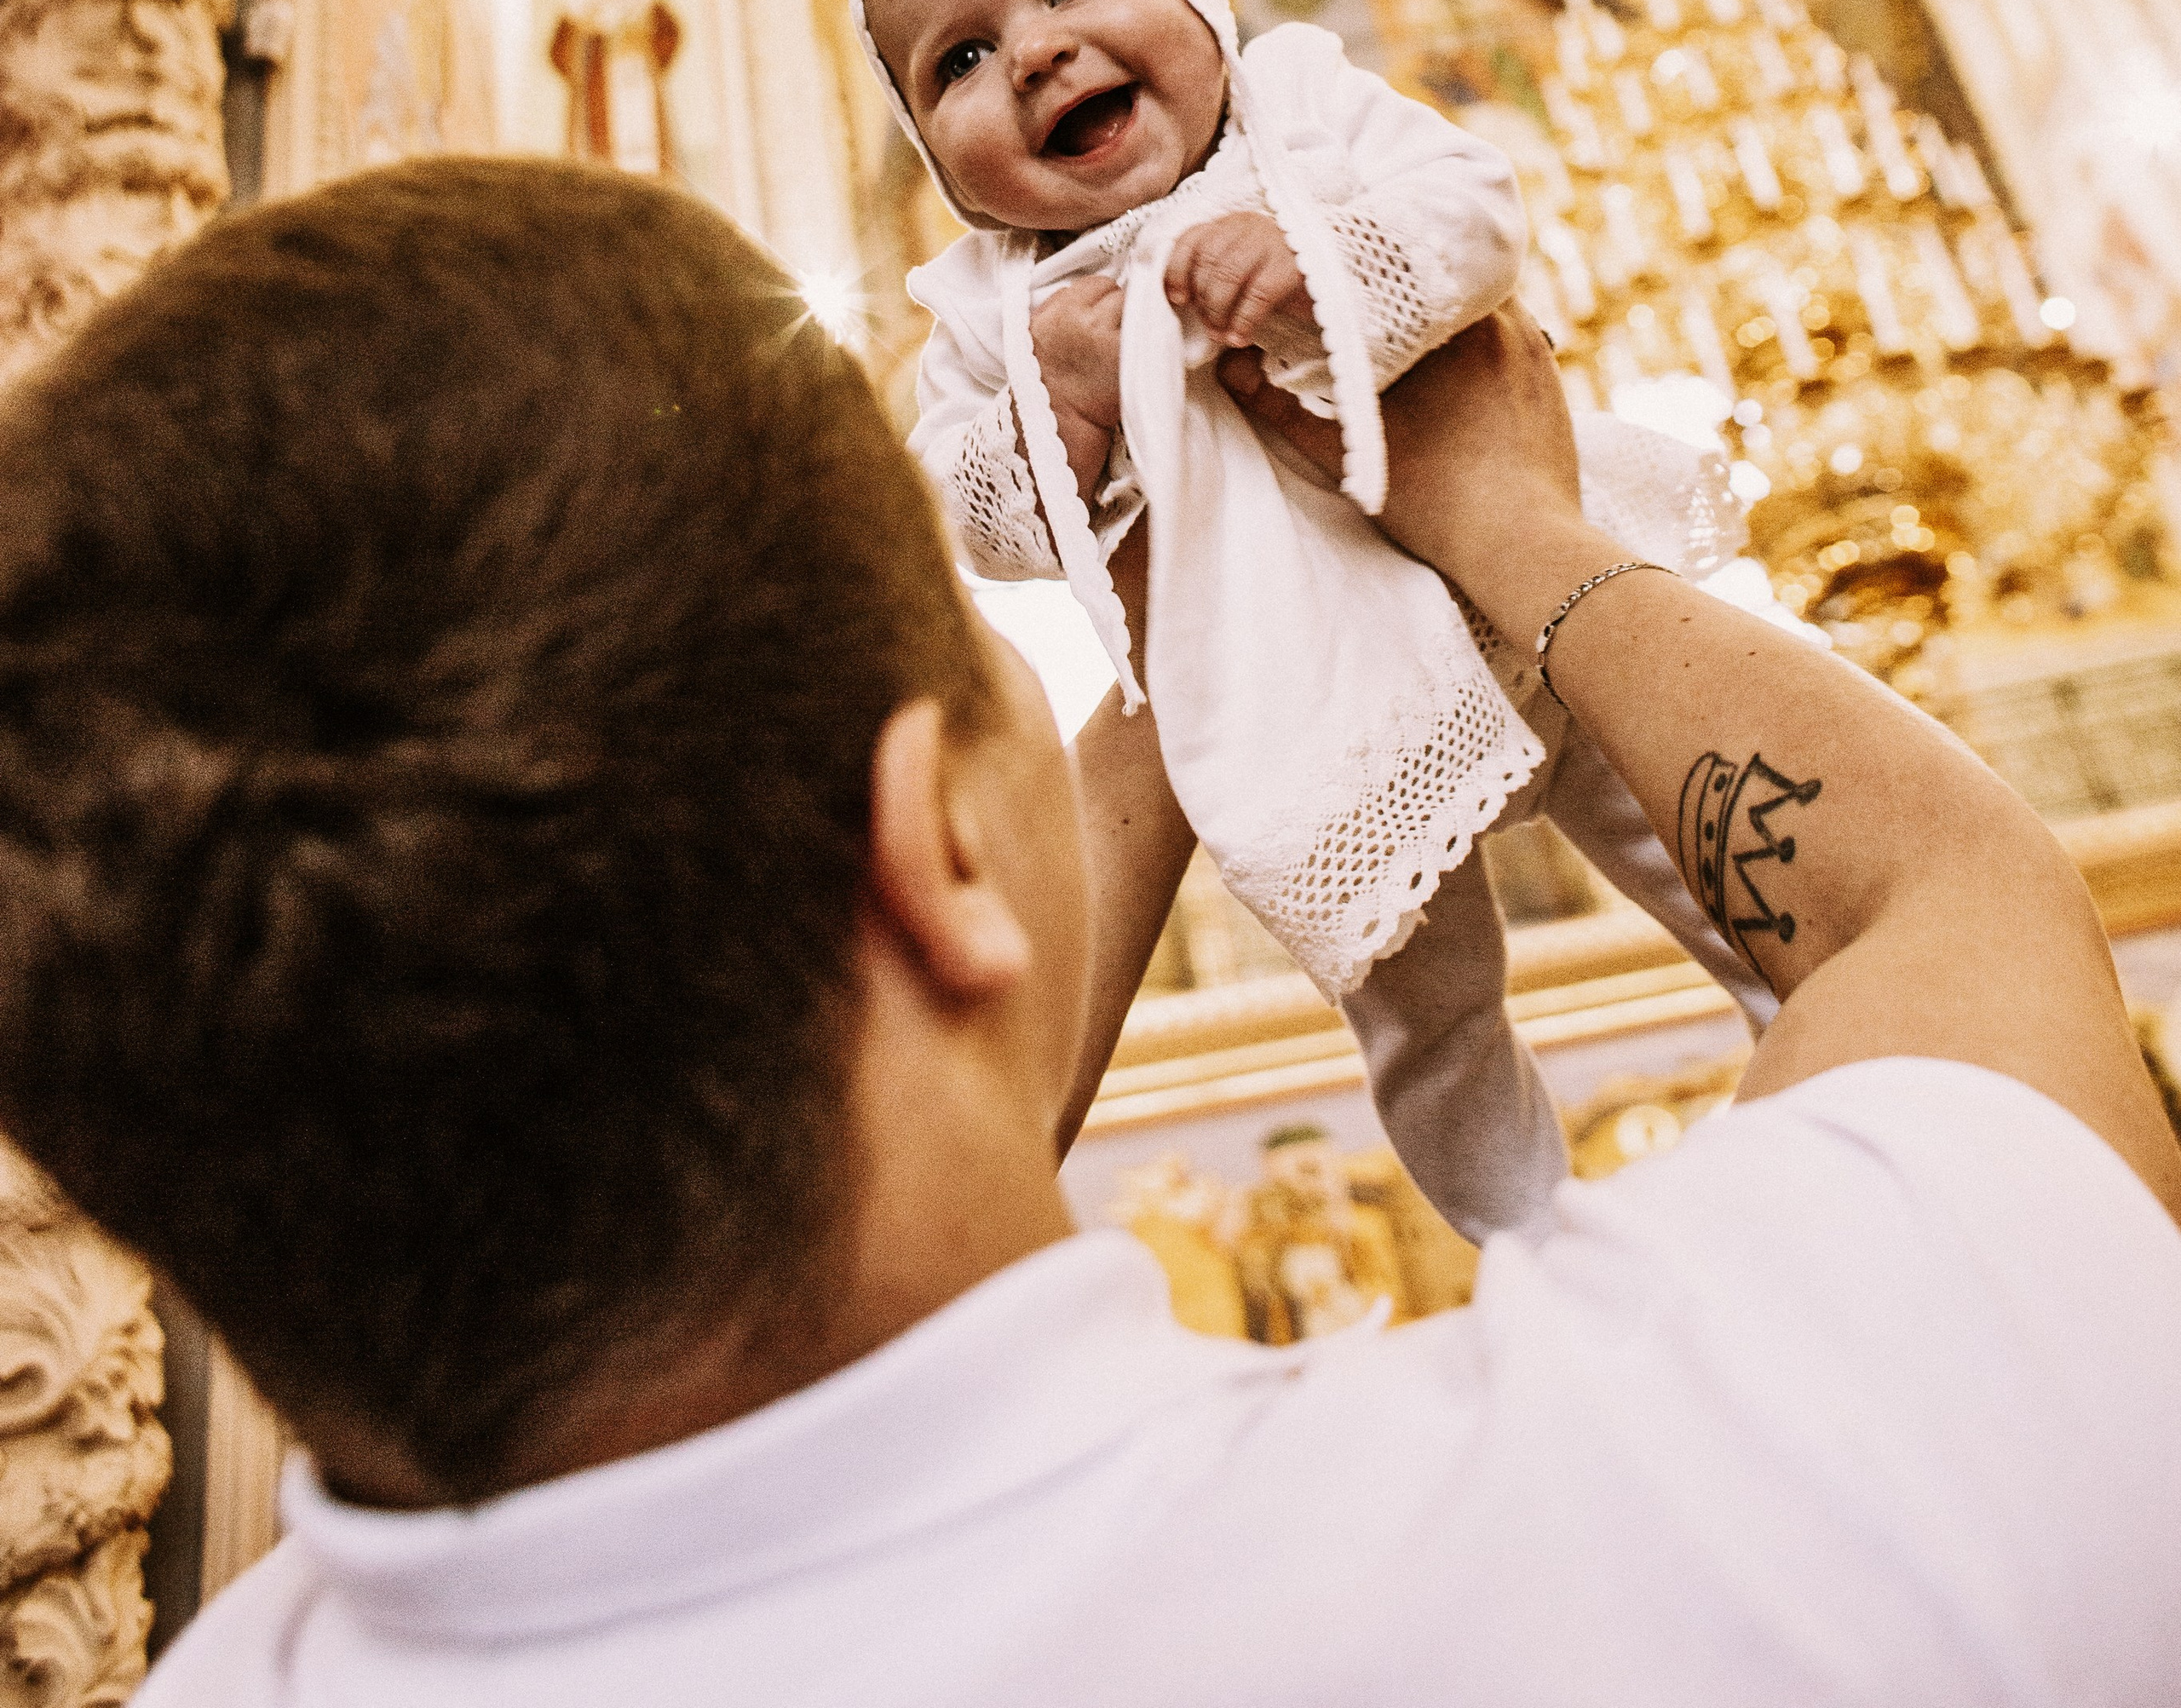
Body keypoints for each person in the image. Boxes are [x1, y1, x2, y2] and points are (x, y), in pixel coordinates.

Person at [0, 160, 2167, 1700]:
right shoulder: (1753, 1496)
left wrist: (1177, 644)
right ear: (934, 852)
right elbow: (1950, 908)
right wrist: (1502, 514)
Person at [833, 0, 1774, 1238]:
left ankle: (1829, 1044)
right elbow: (966, 508)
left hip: (1521, 594)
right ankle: (1527, 1240)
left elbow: (1475, 210)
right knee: (1423, 1014)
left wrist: (1321, 269)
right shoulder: (987, 309)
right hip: (1302, 688)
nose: (1033, 52)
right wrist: (1060, 405)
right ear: (933, 156)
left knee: (1705, 841)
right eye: (956, 60)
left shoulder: (1303, 105)